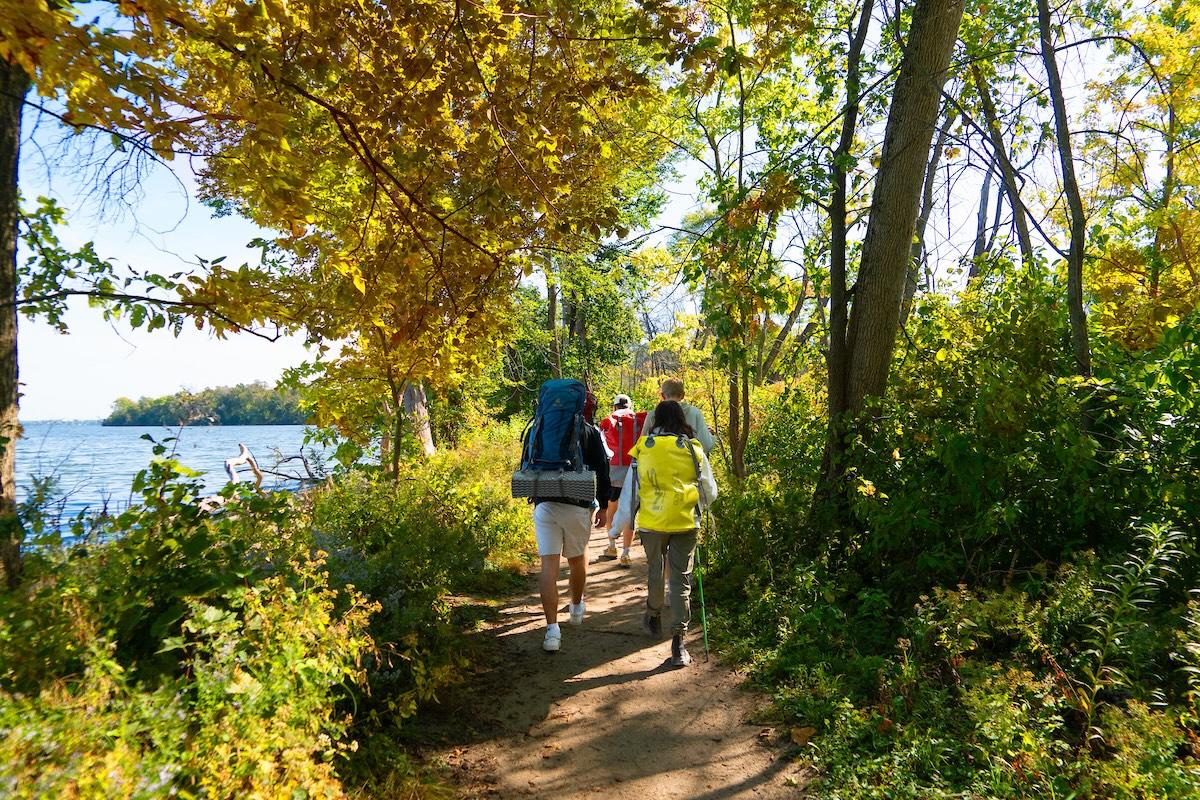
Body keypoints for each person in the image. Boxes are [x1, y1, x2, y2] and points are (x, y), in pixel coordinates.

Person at [611, 400, 717, 667]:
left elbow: (630, 493)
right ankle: (679, 644)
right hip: (685, 521)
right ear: (682, 419)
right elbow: (709, 491)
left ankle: (653, 615)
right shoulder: (693, 449)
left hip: (652, 523)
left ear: (656, 420)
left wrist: (617, 527)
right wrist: (700, 506)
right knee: (681, 580)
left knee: (656, 571)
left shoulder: (644, 448)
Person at [526, 388, 611, 653]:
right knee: (576, 559)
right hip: (577, 504)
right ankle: (576, 606)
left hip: (545, 502)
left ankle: (552, 631)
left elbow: (526, 463)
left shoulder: (538, 427)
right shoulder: (588, 431)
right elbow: (602, 470)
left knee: (548, 567)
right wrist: (604, 505)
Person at [598, 394, 646, 566]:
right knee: (630, 512)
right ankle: (626, 553)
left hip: (615, 470)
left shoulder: (609, 419)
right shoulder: (640, 418)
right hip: (635, 468)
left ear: (614, 406)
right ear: (630, 405)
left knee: (613, 507)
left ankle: (612, 546)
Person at [640, 377, 715, 455]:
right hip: (687, 463)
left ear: (662, 395)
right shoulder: (694, 413)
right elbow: (706, 446)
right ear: (683, 395)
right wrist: (712, 436)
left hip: (657, 463)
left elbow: (642, 444)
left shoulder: (653, 415)